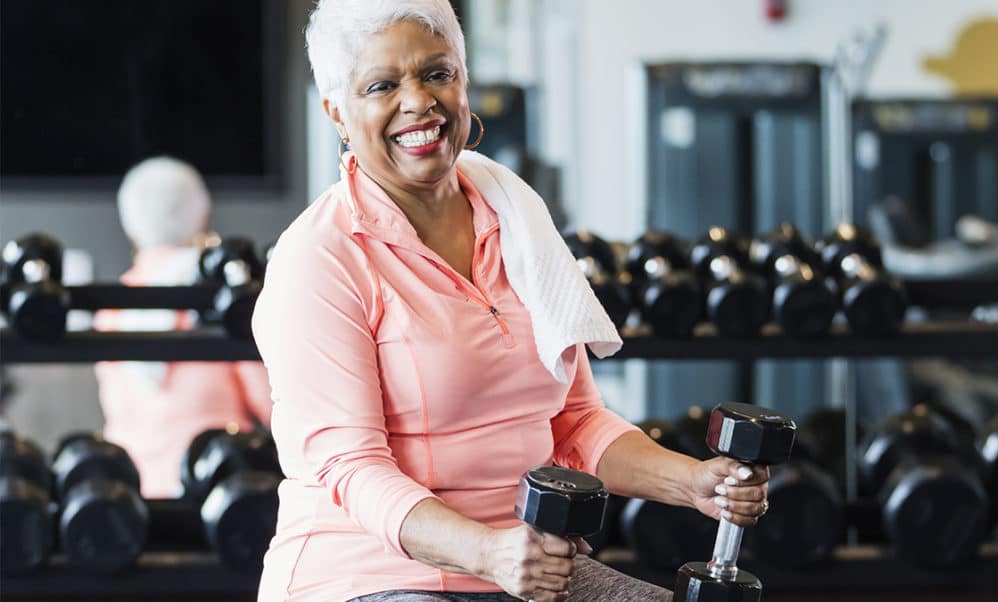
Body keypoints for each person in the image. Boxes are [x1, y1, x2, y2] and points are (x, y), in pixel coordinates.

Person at [251, 2, 770, 600]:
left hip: (524, 562)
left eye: (437, 73)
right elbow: (351, 468)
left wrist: (694, 482)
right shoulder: (319, 258)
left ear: (464, 81)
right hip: (373, 575)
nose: (418, 100)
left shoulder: (514, 215)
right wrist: (490, 552)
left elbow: (573, 422)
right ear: (337, 111)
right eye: (382, 85)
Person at [94, 156, 273, 499]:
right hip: (221, 490)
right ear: (203, 215)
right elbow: (270, 403)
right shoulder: (225, 304)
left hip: (128, 494)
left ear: (130, 225)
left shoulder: (110, 309)